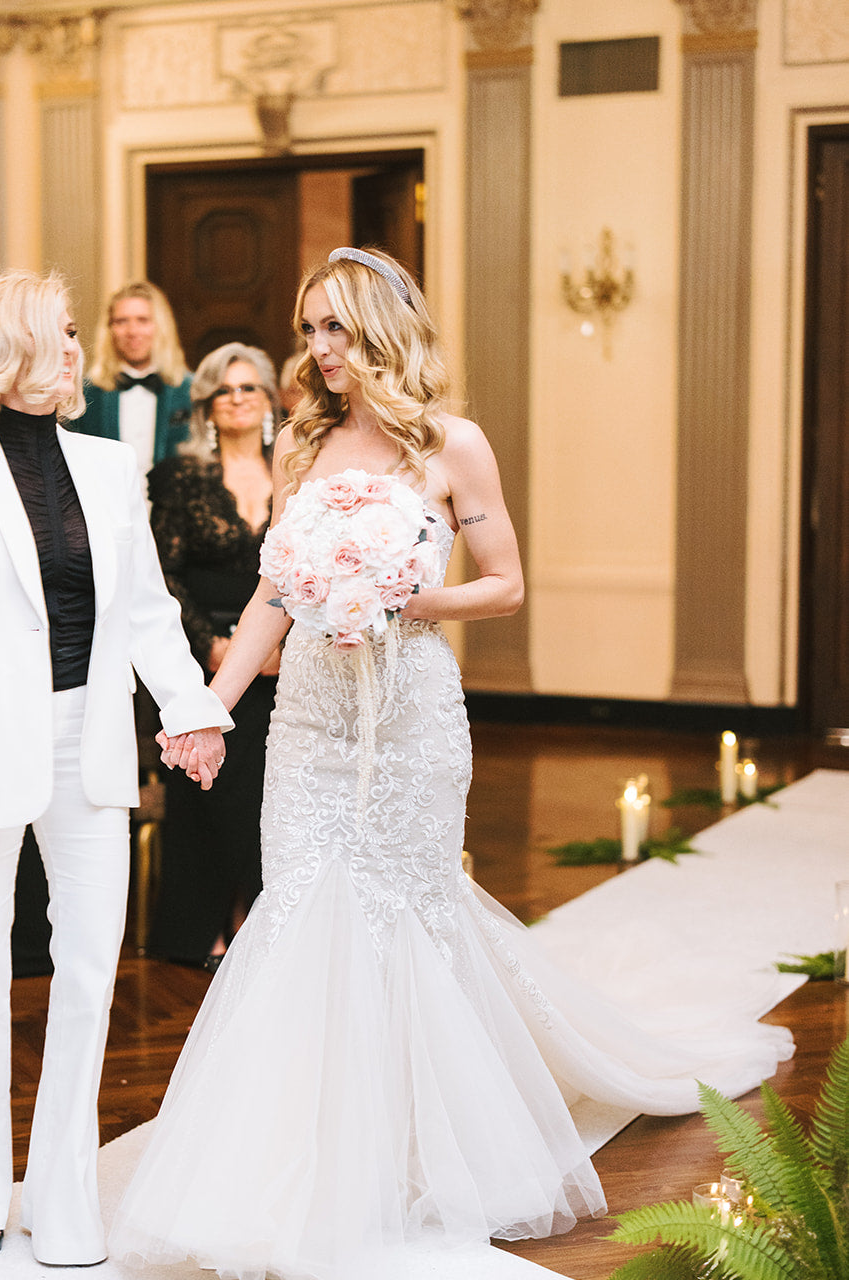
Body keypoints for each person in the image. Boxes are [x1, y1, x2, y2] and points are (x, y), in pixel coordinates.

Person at [109, 249, 793, 1280]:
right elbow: (269, 598)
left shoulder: (450, 444)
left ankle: (415, 1147)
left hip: (412, 710)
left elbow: (506, 583)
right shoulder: (300, 447)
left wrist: (402, 597)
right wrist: (210, 708)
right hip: (309, 715)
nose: (320, 351)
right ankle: (295, 1157)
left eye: (335, 328)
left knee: (403, 911)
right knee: (298, 906)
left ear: (383, 326)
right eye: (310, 330)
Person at [0, 269, 231, 1265]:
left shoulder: (108, 460)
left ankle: (64, 1197)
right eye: (61, 332)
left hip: (93, 736)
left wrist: (190, 707)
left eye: (80, 332)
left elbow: (144, 611)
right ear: (8, 350)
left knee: (88, 970)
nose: (77, 349)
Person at [145, 343, 281, 972]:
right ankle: (207, 921)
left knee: (272, 791)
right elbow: (162, 574)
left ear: (269, 400)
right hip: (204, 655)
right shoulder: (181, 476)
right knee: (216, 789)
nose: (237, 400)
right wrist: (213, 646)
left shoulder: (298, 468)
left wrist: (277, 645)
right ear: (206, 405)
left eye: (249, 388)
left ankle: (264, 916)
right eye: (225, 391)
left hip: (286, 656)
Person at [75, 281, 192, 495]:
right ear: (109, 329)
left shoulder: (189, 390)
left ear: (161, 326)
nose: (133, 331)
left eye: (143, 320)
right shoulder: (85, 394)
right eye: (121, 321)